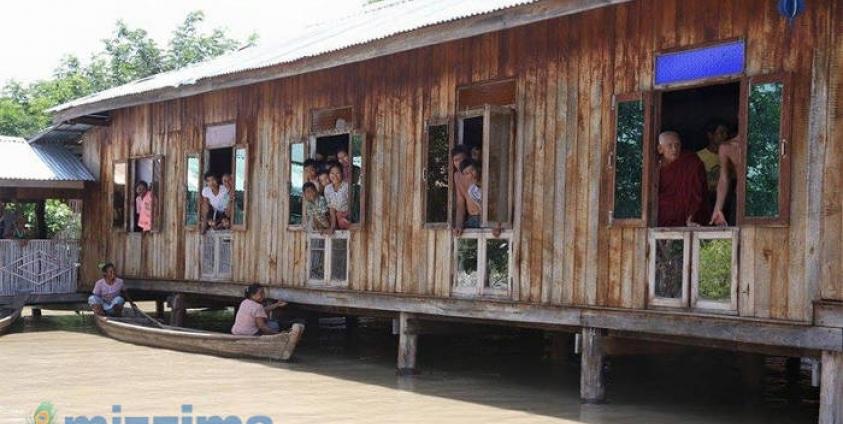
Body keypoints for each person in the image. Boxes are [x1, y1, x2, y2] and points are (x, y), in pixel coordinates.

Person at [657, 131, 710, 227]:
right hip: (662, 215)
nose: (674, 149)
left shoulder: (691, 162)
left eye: (677, 145)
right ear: (660, 149)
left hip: (687, 215)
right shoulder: (654, 167)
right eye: (670, 145)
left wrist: (691, 217)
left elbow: (696, 193)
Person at [710, 129, 741, 226]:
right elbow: (724, 179)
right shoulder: (727, 147)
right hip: (740, 198)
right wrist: (718, 209)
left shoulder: (768, 143)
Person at [452, 146, 479, 236]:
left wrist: (496, 223)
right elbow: (460, 202)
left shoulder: (476, 171)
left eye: (461, 159)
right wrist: (459, 224)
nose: (459, 163)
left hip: (487, 218)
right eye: (456, 160)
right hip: (472, 218)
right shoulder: (457, 177)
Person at [324, 164, 351, 232]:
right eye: (332, 173)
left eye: (337, 173)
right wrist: (333, 225)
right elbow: (331, 208)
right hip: (336, 217)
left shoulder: (347, 186)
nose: (335, 176)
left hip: (348, 216)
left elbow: (352, 205)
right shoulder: (327, 188)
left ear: (342, 174)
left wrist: (344, 216)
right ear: (329, 174)